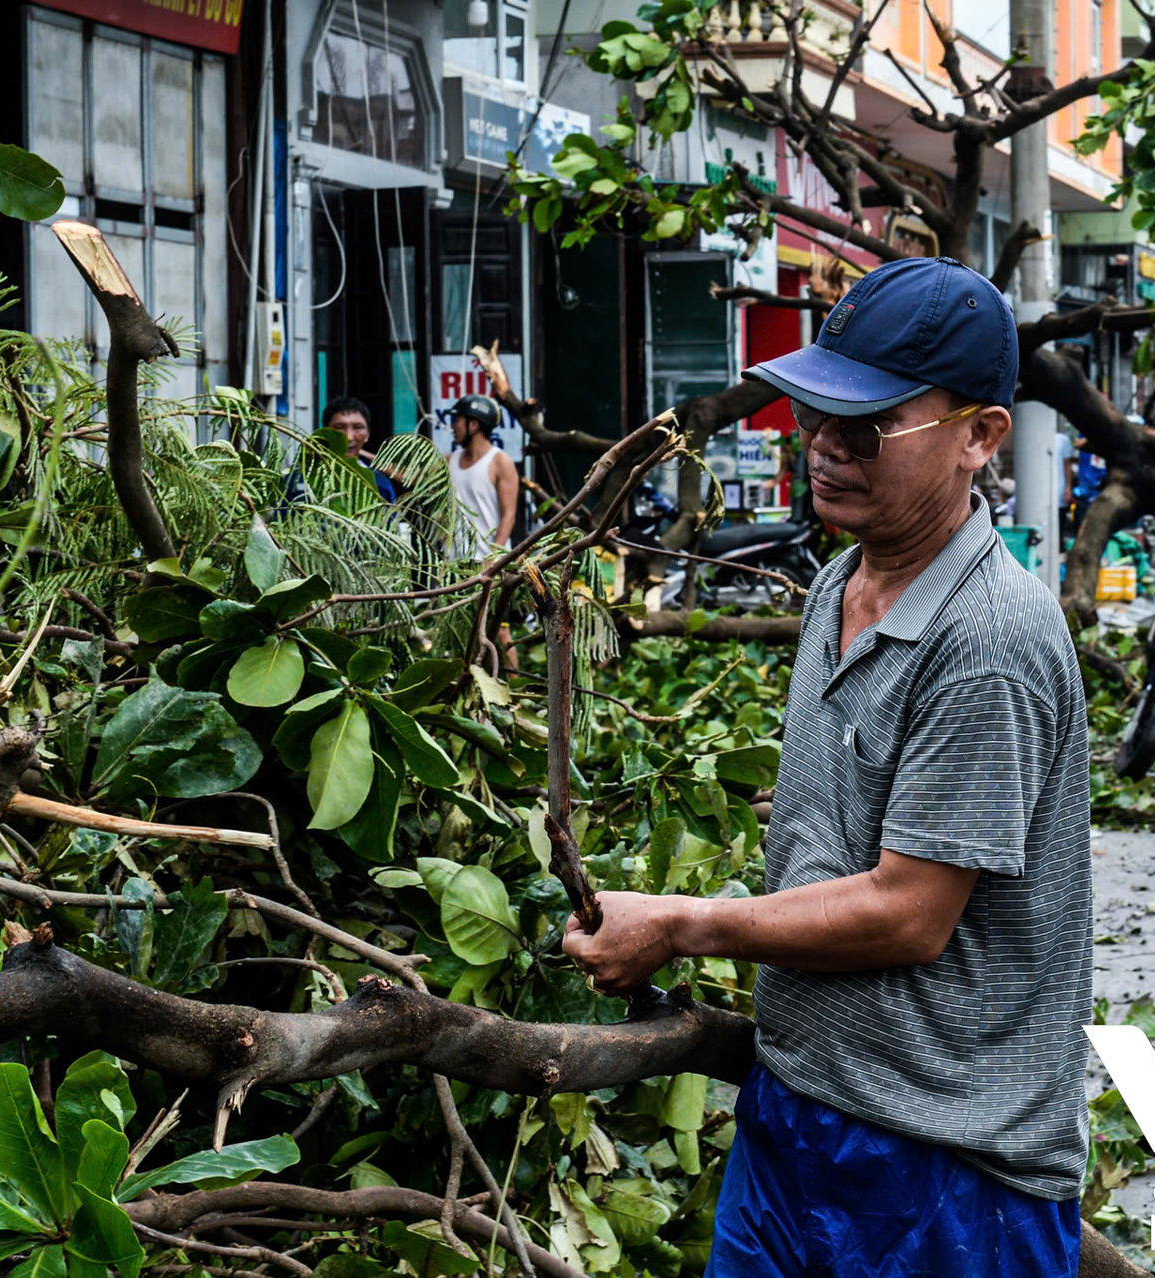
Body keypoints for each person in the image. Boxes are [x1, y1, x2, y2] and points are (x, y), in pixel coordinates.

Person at [564, 256, 1091, 1277]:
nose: (827, 447)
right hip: (796, 1121)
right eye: (815, 416)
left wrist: (676, 924)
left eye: (867, 425)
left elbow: (908, 911)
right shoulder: (838, 584)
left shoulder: (989, 641)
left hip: (946, 1173)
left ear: (981, 437)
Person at [446, 394, 518, 557]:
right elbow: (416, 478)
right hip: (454, 563)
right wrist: (376, 460)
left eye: (457, 420)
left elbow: (509, 515)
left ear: (473, 425)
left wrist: (493, 558)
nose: (453, 426)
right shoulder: (450, 460)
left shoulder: (501, 461)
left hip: (488, 563)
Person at [321, 396, 398, 501]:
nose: (349, 437)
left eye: (357, 427)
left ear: (367, 435)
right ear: (325, 433)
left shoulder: (378, 482)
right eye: (339, 428)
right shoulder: (302, 479)